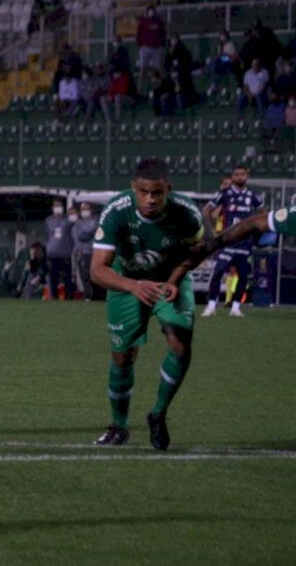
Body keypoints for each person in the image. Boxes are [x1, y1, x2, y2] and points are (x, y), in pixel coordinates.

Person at [90, 158, 204, 450]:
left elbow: (198, 250)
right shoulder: (116, 211)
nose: (150, 199)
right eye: (143, 192)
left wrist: (176, 279)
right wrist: (133, 286)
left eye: (157, 193)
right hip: (127, 282)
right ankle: (119, 426)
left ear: (169, 189)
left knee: (179, 343)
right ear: (133, 188)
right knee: (123, 357)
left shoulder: (187, 214)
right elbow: (97, 270)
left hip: (169, 280)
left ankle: (158, 413)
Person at [200, 165, 265, 317]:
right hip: (227, 242)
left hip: (245, 243)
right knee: (217, 273)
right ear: (233, 177)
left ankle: (235, 307)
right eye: (236, 174)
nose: (239, 177)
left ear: (246, 176)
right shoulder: (225, 194)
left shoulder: (253, 196)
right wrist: (212, 234)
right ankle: (211, 305)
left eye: (242, 174)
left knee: (243, 276)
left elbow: (264, 215)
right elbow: (206, 211)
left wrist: (255, 236)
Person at [46, 200, 73, 299]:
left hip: (65, 253)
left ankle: (69, 297)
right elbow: (47, 236)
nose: (58, 208)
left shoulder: (68, 220)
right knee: (53, 278)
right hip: (52, 254)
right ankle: (54, 297)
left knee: (67, 278)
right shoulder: (48, 220)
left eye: (59, 206)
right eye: (56, 206)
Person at [71, 202, 98, 300]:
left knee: (95, 274)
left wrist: (87, 233)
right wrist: (90, 232)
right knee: (84, 274)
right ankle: (88, 295)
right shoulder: (79, 223)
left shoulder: (96, 220)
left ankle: (96, 295)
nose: (85, 211)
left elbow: (96, 231)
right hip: (84, 252)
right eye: (83, 209)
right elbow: (80, 237)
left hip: (95, 252)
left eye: (86, 208)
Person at [136, 7, 166, 93]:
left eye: (152, 10)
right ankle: (140, 86)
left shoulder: (159, 21)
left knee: (156, 69)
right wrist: (140, 45)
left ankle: (157, 87)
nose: (151, 12)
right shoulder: (143, 22)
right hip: (145, 47)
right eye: (149, 11)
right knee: (143, 68)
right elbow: (139, 34)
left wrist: (161, 44)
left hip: (157, 48)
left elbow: (163, 33)